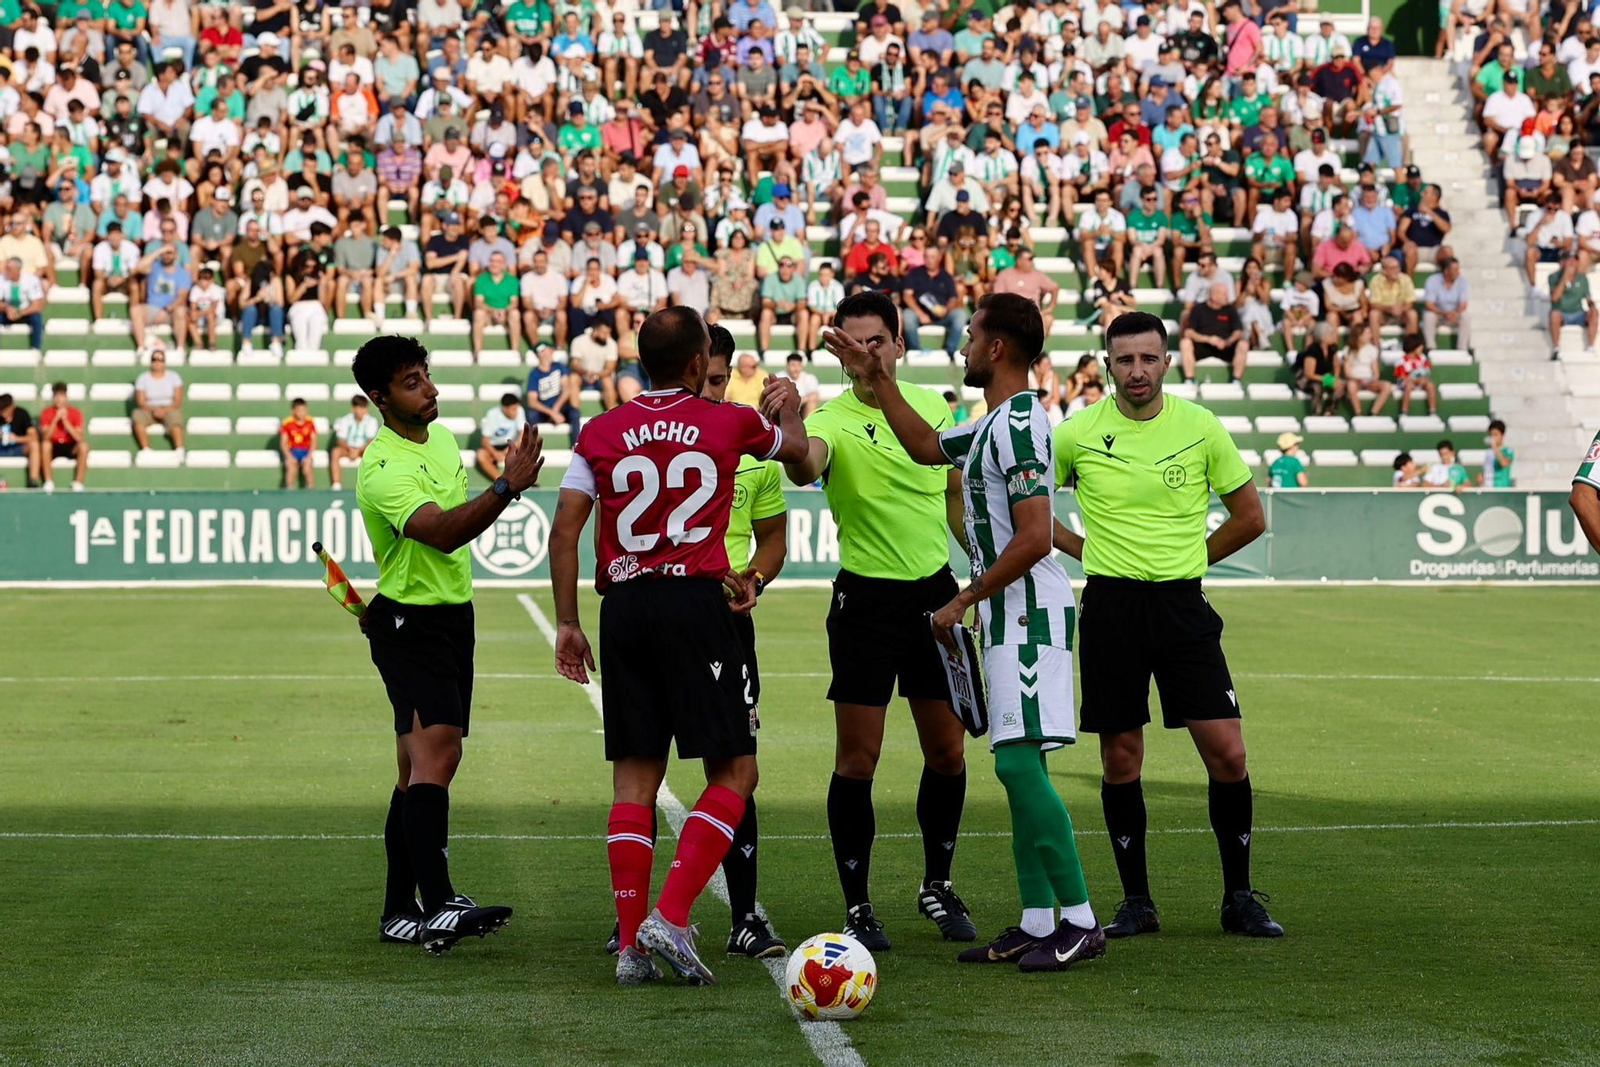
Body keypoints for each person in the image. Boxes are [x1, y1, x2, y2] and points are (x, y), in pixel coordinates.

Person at [824, 292, 1105, 973]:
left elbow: (1035, 537)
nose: (964, 346)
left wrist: (966, 596)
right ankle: (1038, 920)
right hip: (1004, 608)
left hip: (1025, 609)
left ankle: (1080, 919)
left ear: (998, 347)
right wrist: (876, 373)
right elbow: (923, 446)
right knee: (1019, 766)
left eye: (973, 334)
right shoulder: (992, 422)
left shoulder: (1019, 425)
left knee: (1014, 762)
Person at [546, 306, 808, 985]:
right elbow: (801, 457)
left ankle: (633, 944)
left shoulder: (599, 430)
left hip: (624, 607)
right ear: (697, 364)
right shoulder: (729, 419)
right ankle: (670, 912)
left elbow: (565, 530)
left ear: (640, 363)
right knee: (734, 773)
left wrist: (568, 621)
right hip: (698, 601)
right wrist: (793, 410)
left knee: (634, 779)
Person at [1052, 311, 1282, 941]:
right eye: (1124, 360)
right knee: (1121, 756)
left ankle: (1239, 896)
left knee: (1228, 751)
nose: (1137, 371)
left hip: (1183, 607)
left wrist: (1191, 560)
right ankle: (1137, 902)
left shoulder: (1200, 426)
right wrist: (1083, 551)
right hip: (1111, 608)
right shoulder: (1077, 433)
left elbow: (1250, 515)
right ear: (1106, 365)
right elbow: (1026, 504)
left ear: (1167, 362)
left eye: (1148, 359)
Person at [779, 290, 977, 951]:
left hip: (936, 599)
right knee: (859, 759)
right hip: (864, 603)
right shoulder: (830, 418)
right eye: (852, 344)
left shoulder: (932, 406)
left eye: (876, 342)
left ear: (898, 344)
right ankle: (858, 903)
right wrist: (787, 435)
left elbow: (953, 496)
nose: (864, 355)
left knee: (948, 752)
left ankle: (938, 883)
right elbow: (808, 462)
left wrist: (985, 570)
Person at [352, 333, 542, 954]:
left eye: (426, 375)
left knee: (415, 769)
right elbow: (438, 533)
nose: (429, 388)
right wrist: (506, 487)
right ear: (379, 398)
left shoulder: (439, 437)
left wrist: (498, 489)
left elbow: (448, 531)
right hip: (412, 624)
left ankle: (396, 911)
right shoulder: (381, 467)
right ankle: (437, 905)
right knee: (440, 754)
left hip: (449, 615)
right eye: (412, 383)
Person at [1180, 282, 1247, 382]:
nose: (1227, 297)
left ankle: (1236, 380)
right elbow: (1188, 332)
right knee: (1185, 343)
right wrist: (1209, 340)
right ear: (1214, 296)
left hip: (1225, 346)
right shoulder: (1198, 309)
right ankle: (1190, 379)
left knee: (1243, 344)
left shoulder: (1230, 309)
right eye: (1224, 294)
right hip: (1203, 346)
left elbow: (1238, 332)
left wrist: (1227, 342)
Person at [525, 343, 583, 450]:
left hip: (560, 407)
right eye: (546, 350)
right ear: (540, 354)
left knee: (574, 412)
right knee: (531, 414)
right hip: (545, 410)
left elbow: (567, 389)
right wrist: (551, 412)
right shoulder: (534, 374)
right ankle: (531, 447)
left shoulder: (559, 367)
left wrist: (556, 409)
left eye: (550, 350)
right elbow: (532, 401)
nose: (550, 353)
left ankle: (576, 445)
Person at [38, 382, 90, 493]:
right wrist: (56, 420)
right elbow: (46, 437)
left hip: (70, 445)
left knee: (84, 446)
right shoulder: (46, 413)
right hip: (54, 445)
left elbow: (79, 438)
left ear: (66, 397)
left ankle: (78, 482)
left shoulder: (75, 413)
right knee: (45, 445)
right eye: (56, 396)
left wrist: (66, 421)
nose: (59, 399)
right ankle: (48, 481)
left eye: (61, 396)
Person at [132, 348, 185, 453]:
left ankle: (179, 449)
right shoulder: (143, 378)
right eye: (154, 359)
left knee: (175, 420)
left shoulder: (174, 377)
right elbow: (141, 401)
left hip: (169, 407)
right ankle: (146, 449)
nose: (157, 362)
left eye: (160, 359)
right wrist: (154, 410)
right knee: (137, 417)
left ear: (165, 362)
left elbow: (177, 401)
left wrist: (165, 410)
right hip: (149, 408)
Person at [330, 394, 381, 492]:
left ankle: (372, 485)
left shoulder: (371, 421)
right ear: (353, 408)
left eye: (364, 408)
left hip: (364, 449)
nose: (363, 411)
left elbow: (371, 440)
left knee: (374, 453)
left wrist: (358, 451)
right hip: (348, 448)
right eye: (360, 408)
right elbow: (340, 440)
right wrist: (350, 449)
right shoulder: (345, 420)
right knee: (335, 452)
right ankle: (336, 484)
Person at [476, 392, 528, 480]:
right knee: (481, 455)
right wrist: (495, 453)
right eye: (513, 409)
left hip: (512, 445)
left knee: (528, 449)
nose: (515, 412)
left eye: (516, 408)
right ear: (505, 408)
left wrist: (507, 451)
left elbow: (522, 436)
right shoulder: (492, 414)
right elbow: (485, 441)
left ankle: (525, 480)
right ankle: (501, 481)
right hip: (494, 447)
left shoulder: (520, 411)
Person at [0, 392, 42, 488]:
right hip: (1, 449)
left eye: (6, 410)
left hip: (18, 448)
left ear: (12, 406)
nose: (4, 413)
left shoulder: (22, 414)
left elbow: (34, 437)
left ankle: (33, 481)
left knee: (34, 445)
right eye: (1, 410)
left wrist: (16, 438)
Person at [280, 398, 318, 490]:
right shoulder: (287, 423)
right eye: (299, 410)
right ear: (293, 411)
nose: (302, 413)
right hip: (293, 450)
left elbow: (314, 441)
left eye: (304, 410)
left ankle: (311, 488)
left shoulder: (310, 422)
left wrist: (309, 456)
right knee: (291, 466)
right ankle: (290, 488)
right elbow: (283, 443)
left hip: (306, 450)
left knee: (307, 467)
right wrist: (289, 456)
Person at [1482, 419, 1514, 487]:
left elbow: (1504, 463)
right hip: (1488, 488)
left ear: (1502, 435)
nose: (1493, 437)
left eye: (1495, 435)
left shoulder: (1508, 450)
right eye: (1491, 435)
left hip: (1501, 488)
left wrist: (1495, 448)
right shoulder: (1488, 452)